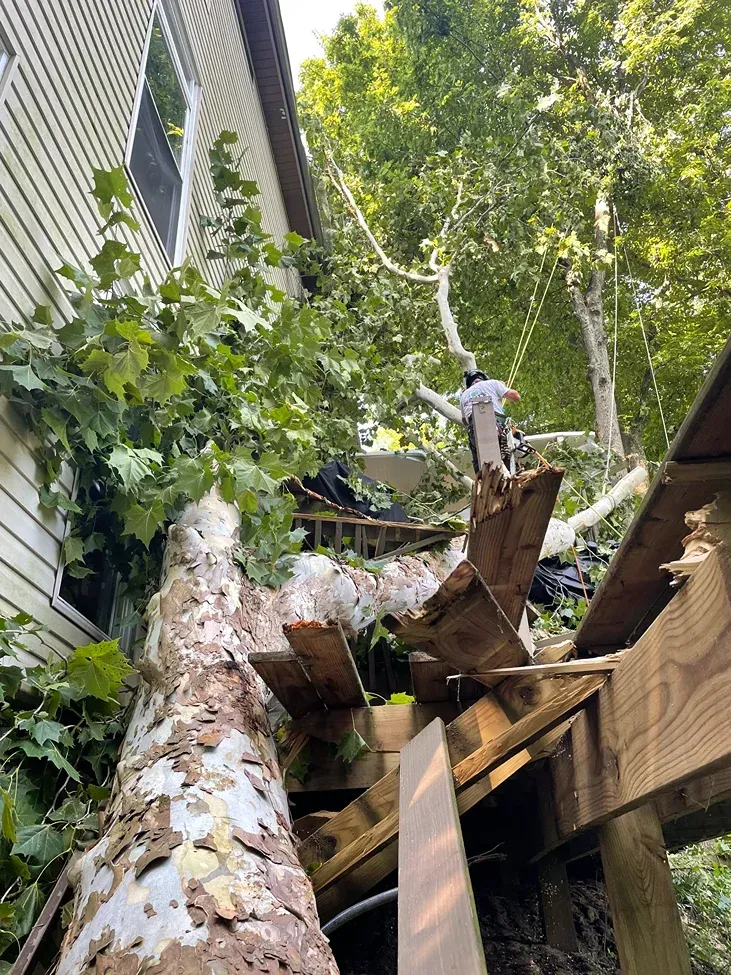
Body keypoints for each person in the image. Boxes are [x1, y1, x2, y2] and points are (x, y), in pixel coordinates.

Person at [460, 370, 521, 474]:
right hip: (493, 424)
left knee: (479, 464)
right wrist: (502, 389)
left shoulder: (463, 395)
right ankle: (509, 477)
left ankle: (481, 480)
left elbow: (464, 421)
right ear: (483, 377)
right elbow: (516, 397)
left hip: (473, 431)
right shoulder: (492, 383)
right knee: (506, 453)